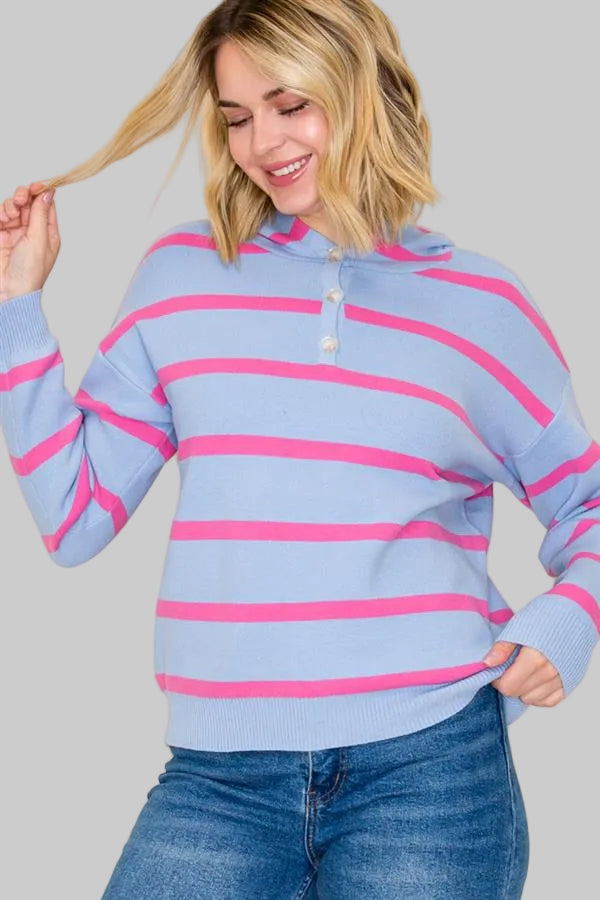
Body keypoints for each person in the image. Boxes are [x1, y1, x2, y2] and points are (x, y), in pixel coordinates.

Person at [1, 1, 598, 897]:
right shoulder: (181, 277)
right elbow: (74, 517)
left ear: (360, 91)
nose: (260, 144)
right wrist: (17, 306)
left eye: (289, 105)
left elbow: (586, 501)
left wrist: (569, 619)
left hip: (431, 769)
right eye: (237, 117)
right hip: (218, 780)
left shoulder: (482, 306)